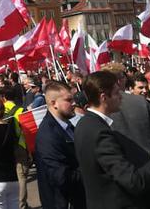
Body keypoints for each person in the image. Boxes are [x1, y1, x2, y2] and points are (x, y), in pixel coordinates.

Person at [74, 71, 150, 209]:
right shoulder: (100, 132)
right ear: (103, 97)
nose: (121, 97)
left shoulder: (85, 123)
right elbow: (132, 181)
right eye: (117, 93)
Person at [34, 81, 86, 209]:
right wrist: (90, 171)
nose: (74, 103)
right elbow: (61, 177)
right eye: (68, 100)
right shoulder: (48, 134)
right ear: (53, 104)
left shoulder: (67, 126)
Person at [101, 63, 150, 156]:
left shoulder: (102, 107)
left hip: (121, 164)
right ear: (119, 81)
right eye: (124, 76)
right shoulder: (141, 101)